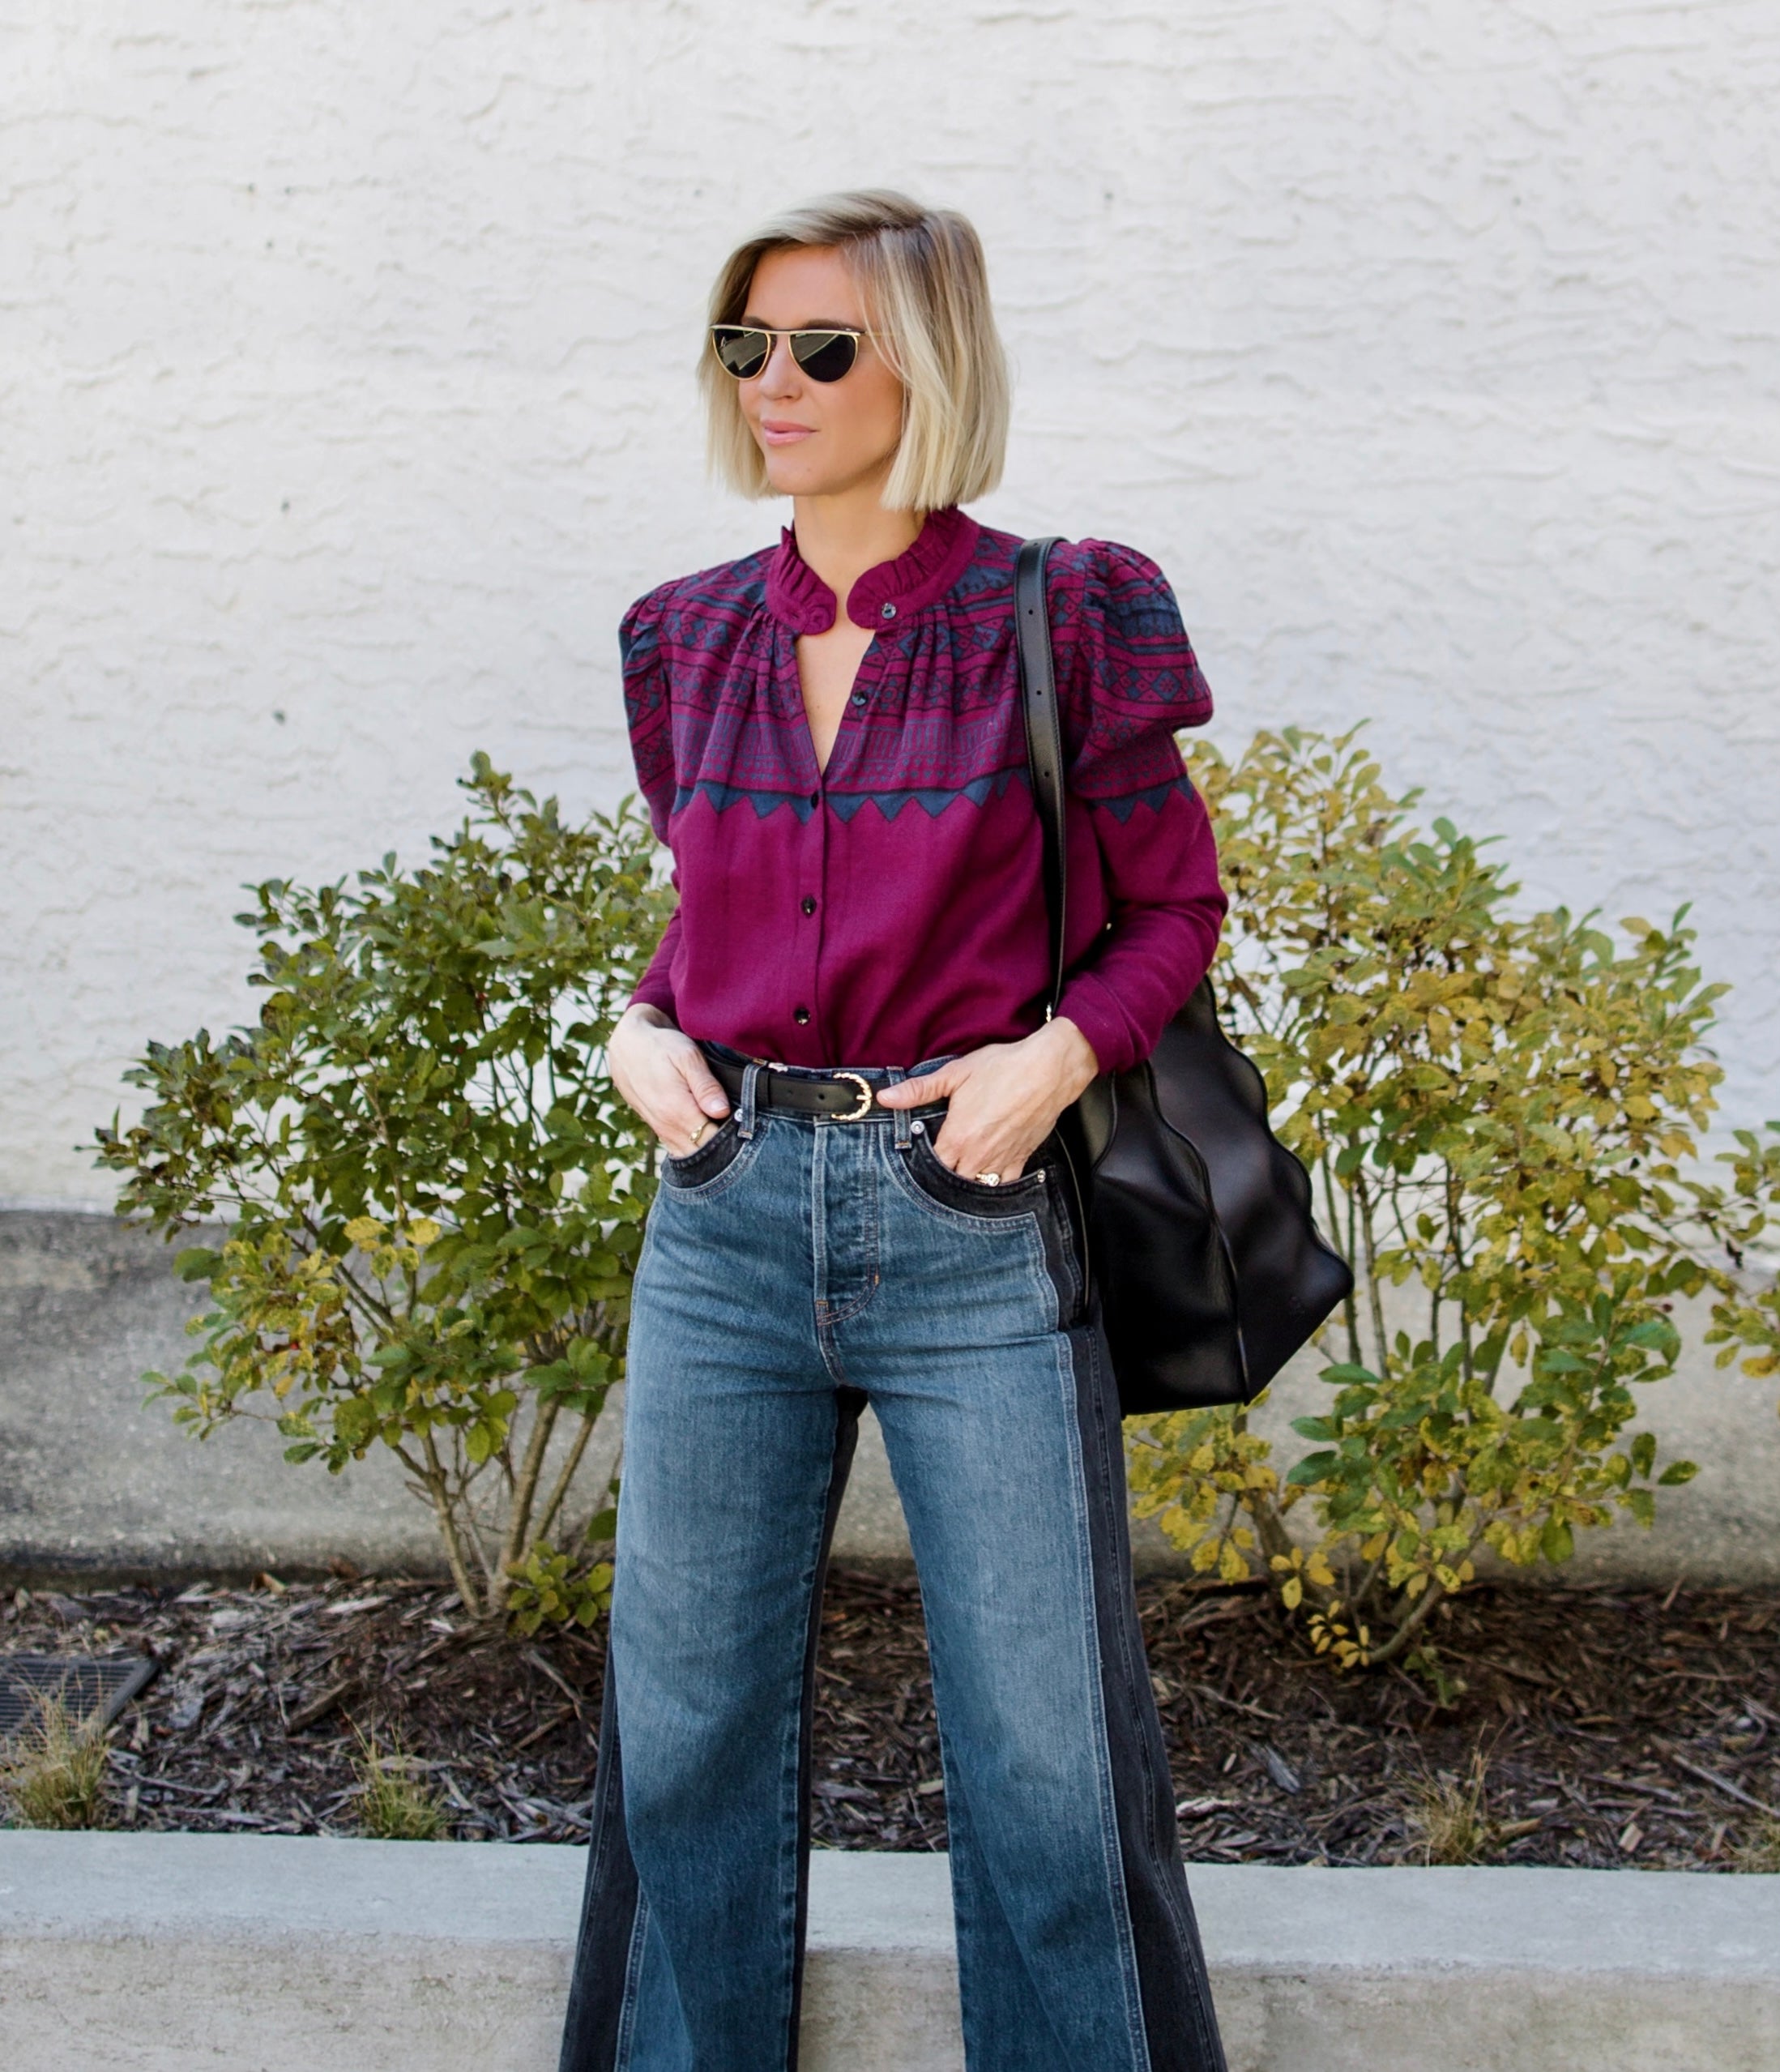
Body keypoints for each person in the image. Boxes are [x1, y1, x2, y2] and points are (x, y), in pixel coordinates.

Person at [559, 190, 1229, 2072]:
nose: (775, 383)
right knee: (677, 1726)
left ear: (924, 365)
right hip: (727, 1212)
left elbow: (1172, 905)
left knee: (1043, 1747)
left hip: (968, 1215)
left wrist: (1048, 1063)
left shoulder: (1062, 611)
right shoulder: (680, 637)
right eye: (744, 346)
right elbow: (723, 904)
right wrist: (638, 1032)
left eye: (822, 347)